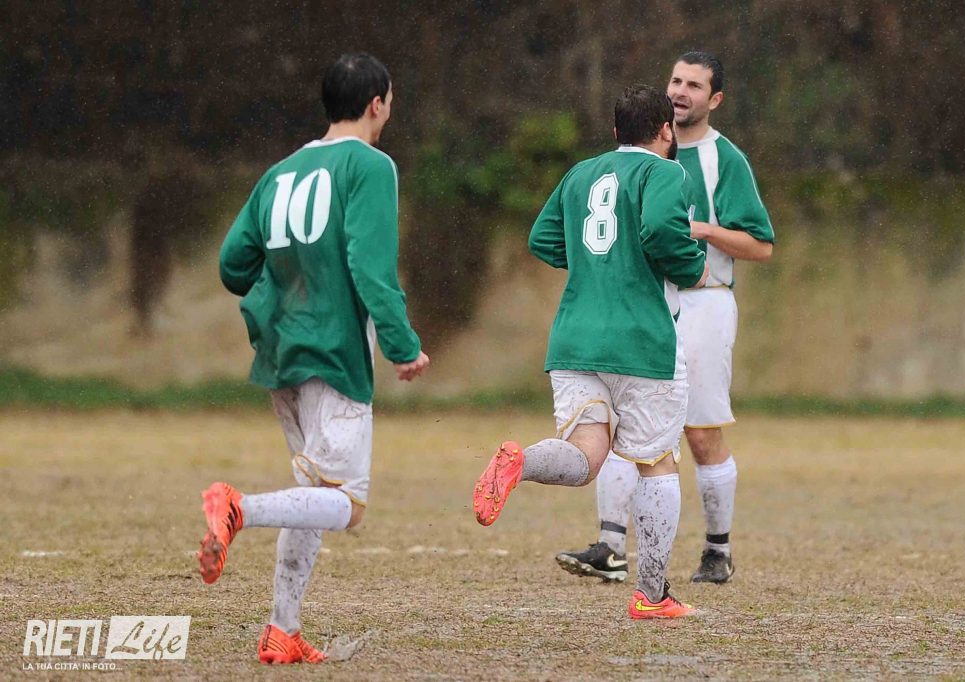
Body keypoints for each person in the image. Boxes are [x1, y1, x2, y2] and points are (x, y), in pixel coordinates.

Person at [198, 53, 429, 665]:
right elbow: (370, 266)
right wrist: (402, 345)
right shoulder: (371, 165)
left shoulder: (281, 171)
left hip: (282, 349)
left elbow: (232, 265)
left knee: (313, 487)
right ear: (377, 103)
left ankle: (283, 629)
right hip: (333, 351)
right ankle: (239, 508)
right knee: (347, 505)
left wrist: (285, 284)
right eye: (390, 101)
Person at [472, 84, 709, 619]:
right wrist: (692, 267)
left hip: (574, 338)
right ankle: (652, 596)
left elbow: (542, 238)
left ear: (615, 131)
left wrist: (594, 263)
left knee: (585, 456)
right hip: (641, 340)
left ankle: (521, 462)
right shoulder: (666, 171)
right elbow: (660, 231)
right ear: (665, 130)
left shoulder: (580, 174)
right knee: (657, 462)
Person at [556, 51, 775, 585]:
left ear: (715, 99)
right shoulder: (636, 159)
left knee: (699, 432)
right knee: (621, 419)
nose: (681, 91)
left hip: (704, 300)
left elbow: (761, 246)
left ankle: (718, 549)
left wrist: (702, 231)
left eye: (695, 85)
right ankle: (610, 545)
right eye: (676, 81)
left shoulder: (725, 160)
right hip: (641, 299)